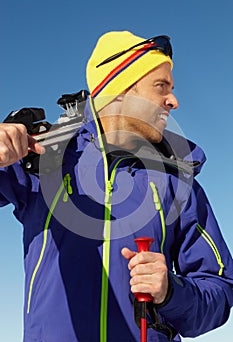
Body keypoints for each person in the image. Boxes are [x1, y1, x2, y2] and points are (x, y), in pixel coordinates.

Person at [0, 30, 233, 342]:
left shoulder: (179, 184)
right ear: (120, 91)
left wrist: (170, 292)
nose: (174, 101)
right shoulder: (43, 156)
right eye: (161, 87)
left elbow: (219, 290)